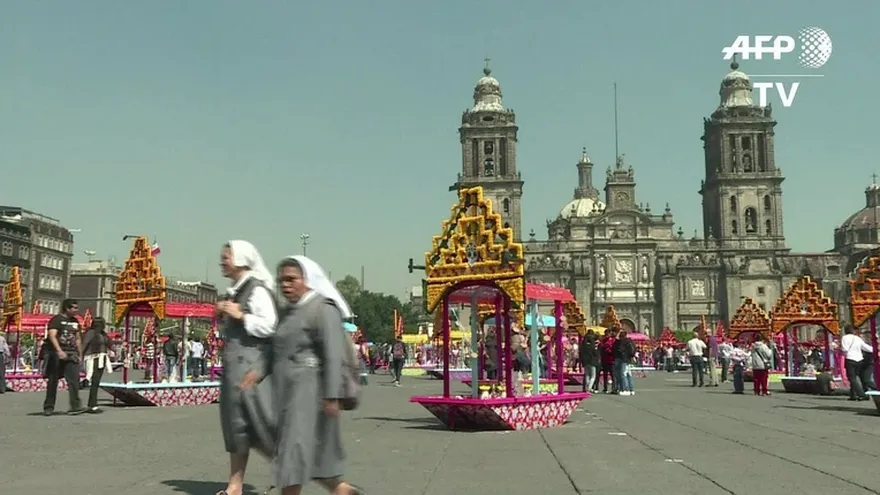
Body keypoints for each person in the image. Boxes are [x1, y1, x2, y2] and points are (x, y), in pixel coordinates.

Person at [242, 255, 364, 495]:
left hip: (309, 395)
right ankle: (344, 491)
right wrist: (256, 373)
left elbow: (333, 354)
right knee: (312, 457)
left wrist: (331, 395)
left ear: (306, 279)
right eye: (281, 281)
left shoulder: (323, 308)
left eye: (291, 279)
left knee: (293, 455)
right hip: (287, 394)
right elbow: (274, 348)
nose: (285, 285)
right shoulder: (288, 313)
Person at [216, 240, 279, 495]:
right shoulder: (235, 290)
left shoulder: (256, 290)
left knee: (260, 425)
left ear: (242, 258)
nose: (222, 260)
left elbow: (270, 325)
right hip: (235, 369)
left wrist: (242, 316)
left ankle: (292, 468)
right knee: (236, 427)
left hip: (251, 369)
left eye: (226, 256)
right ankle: (235, 485)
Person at [43, 299, 86, 415]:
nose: (77, 310)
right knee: (53, 381)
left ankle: (75, 406)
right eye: (74, 308)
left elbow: (78, 339)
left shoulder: (75, 321)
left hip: (72, 354)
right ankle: (49, 406)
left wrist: (80, 354)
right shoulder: (56, 320)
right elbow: (52, 336)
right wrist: (59, 350)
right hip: (56, 354)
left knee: (74, 381)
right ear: (67, 308)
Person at [82, 316, 113, 413]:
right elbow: (84, 344)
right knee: (94, 382)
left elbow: (108, 344)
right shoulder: (91, 333)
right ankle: (92, 404)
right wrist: (80, 356)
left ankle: (92, 403)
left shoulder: (102, 334)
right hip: (93, 358)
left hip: (102, 358)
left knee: (96, 382)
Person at [840, 324, 872, 401]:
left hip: (850, 359)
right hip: (860, 359)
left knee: (852, 378)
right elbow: (866, 348)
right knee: (855, 377)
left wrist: (843, 351)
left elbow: (845, 349)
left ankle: (861, 394)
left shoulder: (844, 338)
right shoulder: (857, 338)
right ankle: (853, 395)